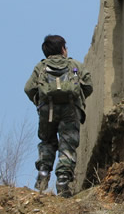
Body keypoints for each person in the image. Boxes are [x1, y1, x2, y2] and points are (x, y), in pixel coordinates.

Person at [24, 34, 93, 197]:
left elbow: (28, 88)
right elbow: (88, 86)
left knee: (47, 141)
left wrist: (40, 102)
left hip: (47, 110)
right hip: (70, 110)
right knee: (67, 145)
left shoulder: (40, 67)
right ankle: (62, 182)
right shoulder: (75, 65)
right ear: (63, 49)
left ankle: (43, 173)